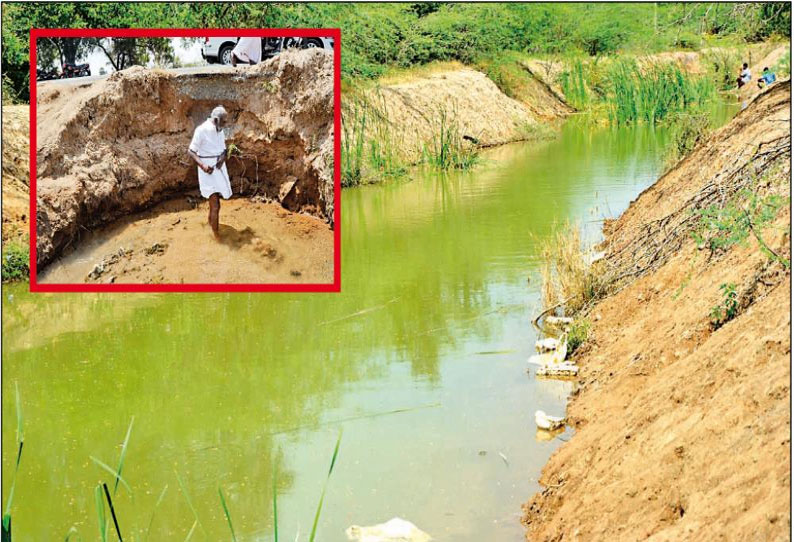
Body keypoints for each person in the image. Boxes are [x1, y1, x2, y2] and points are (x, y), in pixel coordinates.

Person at [188, 106, 231, 240]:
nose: (225, 124)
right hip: (207, 171)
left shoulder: (220, 130)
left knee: (215, 202)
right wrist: (203, 165)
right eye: (223, 122)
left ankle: (210, 224)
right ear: (216, 119)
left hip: (219, 169)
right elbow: (191, 151)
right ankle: (216, 236)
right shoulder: (201, 130)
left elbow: (224, 150)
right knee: (216, 204)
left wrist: (222, 159)